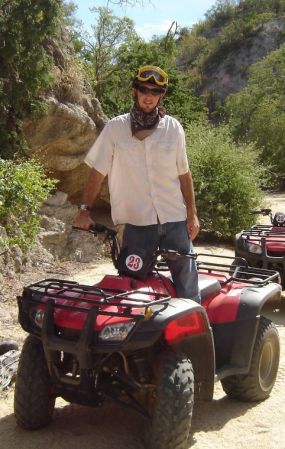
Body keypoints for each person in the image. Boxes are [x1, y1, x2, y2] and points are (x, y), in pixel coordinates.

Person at [73, 65, 200, 302]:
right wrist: (84, 211)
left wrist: (192, 214)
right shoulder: (115, 129)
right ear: (134, 91)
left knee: (188, 287)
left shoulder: (173, 129)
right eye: (144, 89)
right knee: (131, 291)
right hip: (136, 225)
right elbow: (97, 173)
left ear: (161, 94)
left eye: (155, 90)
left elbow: (184, 174)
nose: (149, 95)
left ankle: (198, 336)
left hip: (174, 220)